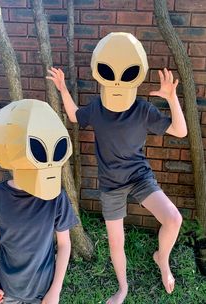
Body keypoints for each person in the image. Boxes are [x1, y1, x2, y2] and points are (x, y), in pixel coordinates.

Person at [47, 32, 187, 304]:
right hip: (111, 184)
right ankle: (122, 288)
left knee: (173, 219)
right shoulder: (98, 108)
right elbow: (76, 116)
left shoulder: (143, 110)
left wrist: (171, 97)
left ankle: (162, 260)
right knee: (116, 242)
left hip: (139, 177)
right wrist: (63, 89)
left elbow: (180, 131)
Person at [0, 99, 79, 304]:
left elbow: (64, 244)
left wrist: (55, 291)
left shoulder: (56, 198)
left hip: (43, 294)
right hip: (6, 292)